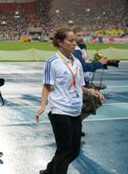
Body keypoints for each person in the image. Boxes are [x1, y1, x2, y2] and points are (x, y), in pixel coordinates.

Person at [35, 28, 104, 174]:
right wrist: (42, 106)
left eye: (75, 40)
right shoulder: (52, 62)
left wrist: (90, 90)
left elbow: (79, 84)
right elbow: (47, 85)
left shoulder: (77, 61)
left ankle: (48, 171)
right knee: (65, 151)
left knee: (73, 151)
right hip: (59, 110)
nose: (75, 43)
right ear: (60, 42)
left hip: (75, 110)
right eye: (71, 40)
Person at [72, 28, 108, 136]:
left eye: (82, 35)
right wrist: (99, 63)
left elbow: (85, 63)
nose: (81, 37)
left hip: (84, 81)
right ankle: (74, 126)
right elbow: (83, 67)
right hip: (80, 83)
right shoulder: (76, 50)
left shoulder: (81, 48)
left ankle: (76, 126)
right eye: (78, 35)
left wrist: (102, 63)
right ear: (72, 37)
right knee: (87, 104)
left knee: (91, 102)